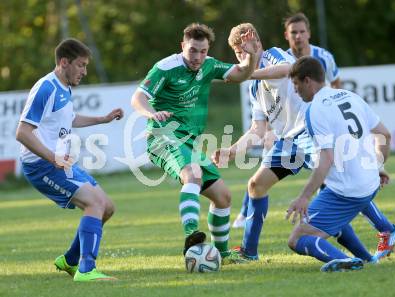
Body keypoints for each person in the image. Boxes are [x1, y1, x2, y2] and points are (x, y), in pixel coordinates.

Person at [130, 23, 258, 264]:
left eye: (202, 51)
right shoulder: (165, 68)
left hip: (189, 142)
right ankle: (192, 234)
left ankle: (222, 253)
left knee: (223, 197)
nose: (198, 57)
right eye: (193, 51)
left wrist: (251, 56)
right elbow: (137, 97)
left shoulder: (208, 65)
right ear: (182, 46)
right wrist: (150, 114)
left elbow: (242, 74)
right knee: (192, 175)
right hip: (163, 135)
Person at [16, 38, 124, 281]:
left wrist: (102, 119)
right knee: (95, 203)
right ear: (64, 62)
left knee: (107, 207)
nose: (84, 72)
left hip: (59, 163)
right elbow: (22, 132)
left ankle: (70, 260)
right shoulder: (46, 88)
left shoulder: (64, 87)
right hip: (41, 165)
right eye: (81, 65)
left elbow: (69, 119)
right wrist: (52, 157)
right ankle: (86, 270)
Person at [285, 56, 395, 272]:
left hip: (347, 192)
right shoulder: (350, 96)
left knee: (298, 238)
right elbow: (385, 134)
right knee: (330, 216)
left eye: (296, 84)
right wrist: (377, 167)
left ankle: (348, 261)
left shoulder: (315, 110)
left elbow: (326, 159)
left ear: (307, 81)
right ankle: (371, 253)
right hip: (370, 185)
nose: (295, 91)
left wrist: (303, 197)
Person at [212, 23, 314, 260]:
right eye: (238, 54)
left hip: (310, 131)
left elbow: (290, 68)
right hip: (288, 142)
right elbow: (257, 130)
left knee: (336, 186)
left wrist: (250, 71)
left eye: (244, 50)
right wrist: (231, 151)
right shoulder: (254, 86)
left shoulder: (273, 55)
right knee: (256, 186)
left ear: (257, 43)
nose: (241, 58)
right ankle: (249, 252)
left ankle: (386, 229)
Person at [284, 12, 341, 88]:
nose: (298, 36)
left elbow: (335, 83)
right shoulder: (282, 60)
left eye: (302, 31)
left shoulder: (324, 57)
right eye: (294, 32)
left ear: (309, 33)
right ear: (286, 35)